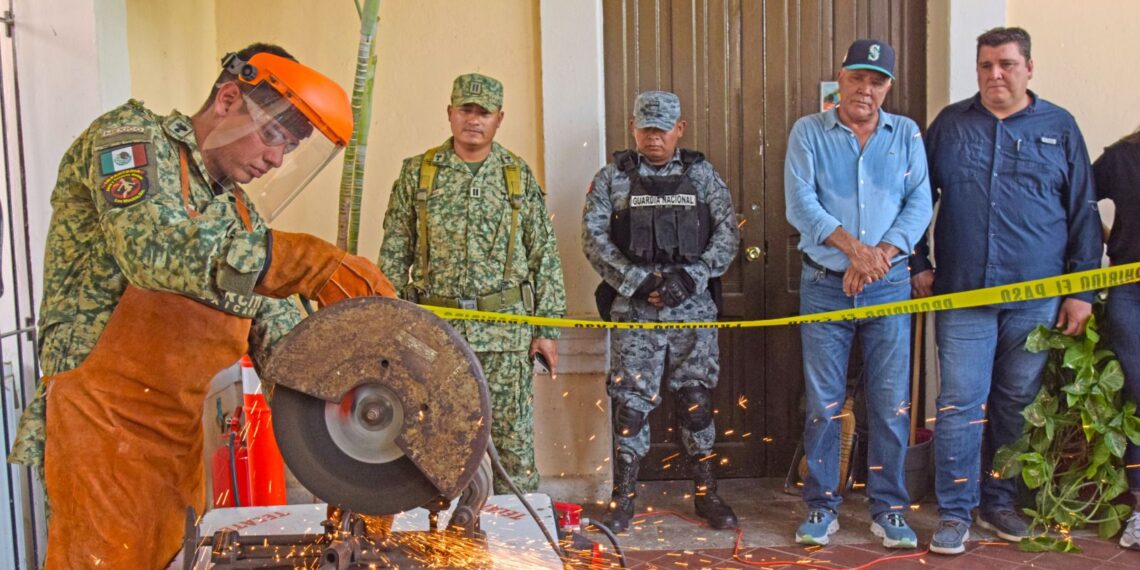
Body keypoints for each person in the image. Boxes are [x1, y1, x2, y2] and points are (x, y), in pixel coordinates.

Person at [5, 43, 396, 568]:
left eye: (290, 148)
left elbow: (286, 348)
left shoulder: (238, 217)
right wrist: (303, 260)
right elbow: (155, 251)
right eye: (274, 135)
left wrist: (358, 435)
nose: (276, 158)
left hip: (177, 444)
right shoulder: (131, 140)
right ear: (229, 98)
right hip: (100, 431)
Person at [911, 27, 1102, 555]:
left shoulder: (1059, 126)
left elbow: (1082, 209)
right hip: (964, 294)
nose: (996, 74)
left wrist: (1082, 289)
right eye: (986, 65)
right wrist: (917, 261)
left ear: (1029, 68)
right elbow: (915, 198)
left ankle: (998, 503)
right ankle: (954, 512)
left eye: (1007, 64)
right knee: (959, 404)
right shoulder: (950, 125)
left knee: (1015, 404)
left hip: (1036, 298)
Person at [379, 73, 566, 495]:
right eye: (466, 109)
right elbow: (394, 253)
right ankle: (443, 543)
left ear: (499, 118)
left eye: (484, 112)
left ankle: (516, 544)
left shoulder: (515, 175)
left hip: (504, 334)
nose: (474, 120)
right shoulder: (418, 174)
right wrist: (386, 326)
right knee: (433, 440)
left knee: (511, 447)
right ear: (450, 114)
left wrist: (547, 331)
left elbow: (544, 257)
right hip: (435, 336)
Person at [784, 39, 931, 548]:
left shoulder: (907, 134)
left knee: (890, 403)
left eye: (877, 80)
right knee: (824, 404)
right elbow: (800, 204)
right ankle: (822, 506)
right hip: (825, 287)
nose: (865, 89)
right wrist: (853, 252)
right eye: (857, 77)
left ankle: (889, 509)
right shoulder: (808, 132)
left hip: (888, 288)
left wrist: (878, 258)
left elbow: (918, 205)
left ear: (887, 87)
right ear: (840, 78)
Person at [582, 90, 740, 532]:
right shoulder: (612, 179)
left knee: (696, 403)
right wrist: (641, 283)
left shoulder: (703, 176)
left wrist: (691, 278)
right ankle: (624, 499)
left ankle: (708, 496)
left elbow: (728, 234)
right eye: (646, 128)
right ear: (633, 128)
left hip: (692, 311)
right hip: (636, 313)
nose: (654, 137)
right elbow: (593, 239)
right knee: (630, 407)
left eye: (662, 128)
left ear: (679, 129)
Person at [1092, 126, 1140, 550]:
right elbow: (1079, 200)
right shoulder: (1122, 156)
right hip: (1131, 292)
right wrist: (1111, 241)